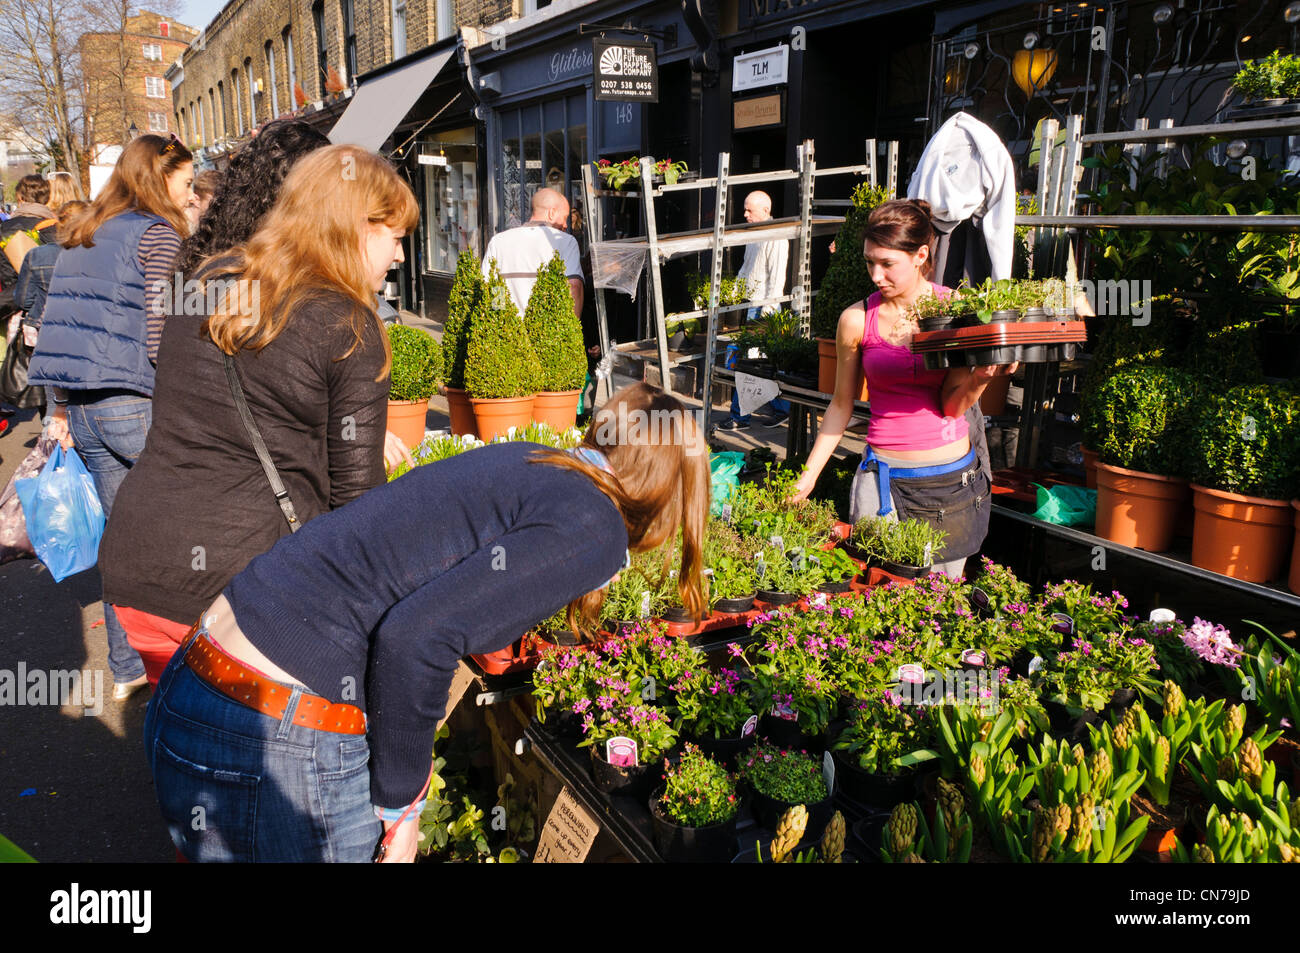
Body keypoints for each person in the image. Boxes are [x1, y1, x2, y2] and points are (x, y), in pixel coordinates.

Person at [144, 381, 708, 862]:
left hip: (196, 683)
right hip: (274, 729)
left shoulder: (530, 460)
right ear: (669, 486)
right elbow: (418, 636)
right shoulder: (594, 523)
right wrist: (403, 805)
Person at [99, 143, 417, 688]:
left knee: (181, 739)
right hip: (241, 595)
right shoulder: (350, 329)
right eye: (396, 237)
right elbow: (359, 507)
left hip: (141, 561)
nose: (401, 258)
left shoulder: (205, 279)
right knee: (251, 761)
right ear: (356, 228)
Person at [27, 134, 194, 700]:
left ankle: (128, 666)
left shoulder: (84, 231)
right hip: (138, 403)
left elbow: (59, 328)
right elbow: (160, 330)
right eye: (186, 182)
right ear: (160, 177)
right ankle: (189, 668)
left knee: (121, 543)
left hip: (87, 411)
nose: (190, 193)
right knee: (186, 535)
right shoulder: (157, 232)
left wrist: (60, 410)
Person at [790, 198, 1012, 579]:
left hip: (948, 484)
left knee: (939, 603)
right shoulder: (857, 319)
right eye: (869, 262)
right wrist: (807, 477)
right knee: (875, 591)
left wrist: (979, 378)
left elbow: (953, 406)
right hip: (883, 484)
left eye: (887, 264)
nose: (876, 275)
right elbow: (842, 404)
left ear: (920, 255)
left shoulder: (956, 311)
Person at [717, 190, 790, 432]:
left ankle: (741, 417)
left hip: (764, 307)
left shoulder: (777, 237)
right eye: (745, 209)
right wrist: (732, 295)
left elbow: (777, 278)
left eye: (750, 210)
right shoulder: (754, 234)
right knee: (759, 363)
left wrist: (767, 313)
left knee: (749, 363)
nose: (745, 214)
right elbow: (746, 269)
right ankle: (780, 410)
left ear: (766, 210)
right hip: (751, 306)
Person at [13, 199, 89, 430]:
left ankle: (54, 449)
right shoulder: (97, 253)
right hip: (86, 332)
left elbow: (23, 299)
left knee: (55, 400)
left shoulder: (37, 256)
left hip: (48, 333)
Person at [482, 186, 584, 318]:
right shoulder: (566, 242)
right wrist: (570, 332)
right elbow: (574, 287)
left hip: (509, 332)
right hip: (550, 332)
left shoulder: (498, 241)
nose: (565, 225)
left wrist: (502, 321)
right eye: (564, 218)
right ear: (552, 213)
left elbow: (490, 286)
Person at [0, 174, 58, 320]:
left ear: (20, 197)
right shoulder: (55, 228)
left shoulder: (5, 228)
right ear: (47, 198)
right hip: (48, 308)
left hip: (10, 307)